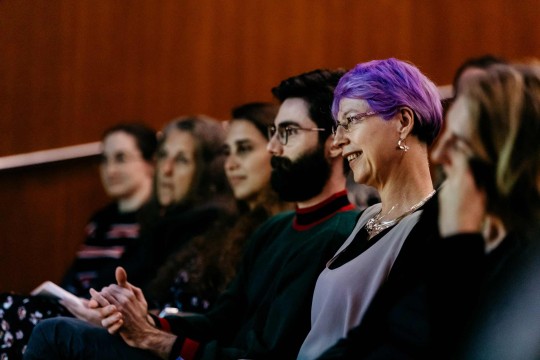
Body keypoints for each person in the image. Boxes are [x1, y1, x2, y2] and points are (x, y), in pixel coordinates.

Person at [24, 68, 360, 360]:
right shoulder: (275, 228)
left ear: (334, 142)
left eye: (287, 133)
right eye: (273, 133)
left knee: (55, 334)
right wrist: (144, 319)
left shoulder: (340, 234)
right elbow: (219, 320)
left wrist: (158, 340)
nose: (273, 147)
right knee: (53, 329)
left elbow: (265, 354)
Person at [297, 58, 443, 360]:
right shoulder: (365, 217)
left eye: (350, 121)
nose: (337, 141)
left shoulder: (433, 229)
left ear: (403, 121)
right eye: (337, 126)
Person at [0, 122, 158, 359]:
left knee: (11, 311)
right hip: (78, 305)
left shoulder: (158, 222)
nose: (110, 169)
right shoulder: (101, 220)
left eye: (121, 158)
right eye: (105, 159)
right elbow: (75, 276)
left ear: (150, 163)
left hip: (111, 318)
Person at [142, 102, 293, 313]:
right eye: (227, 152)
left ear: (278, 150)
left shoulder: (280, 231)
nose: (230, 164)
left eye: (244, 149)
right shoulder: (228, 224)